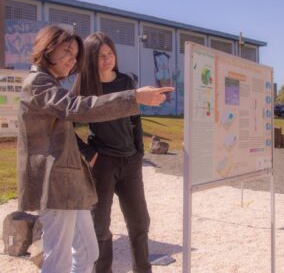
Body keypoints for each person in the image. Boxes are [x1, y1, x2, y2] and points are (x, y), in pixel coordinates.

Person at [16, 25, 173, 273]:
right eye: (67, 51)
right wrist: (134, 98)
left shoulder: (52, 83)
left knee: (89, 249)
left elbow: (126, 123)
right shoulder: (38, 83)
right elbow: (76, 108)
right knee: (60, 257)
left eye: (76, 54)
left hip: (74, 182)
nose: (72, 59)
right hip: (56, 183)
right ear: (48, 49)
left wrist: (138, 152)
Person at [73, 32, 152, 273]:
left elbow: (135, 120)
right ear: (90, 59)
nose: (107, 60)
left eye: (110, 54)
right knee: (99, 225)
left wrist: (138, 152)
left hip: (130, 162)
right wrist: (88, 153)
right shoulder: (85, 86)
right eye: (100, 56)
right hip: (102, 164)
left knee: (139, 222)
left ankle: (143, 269)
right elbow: (65, 126)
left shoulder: (126, 82)